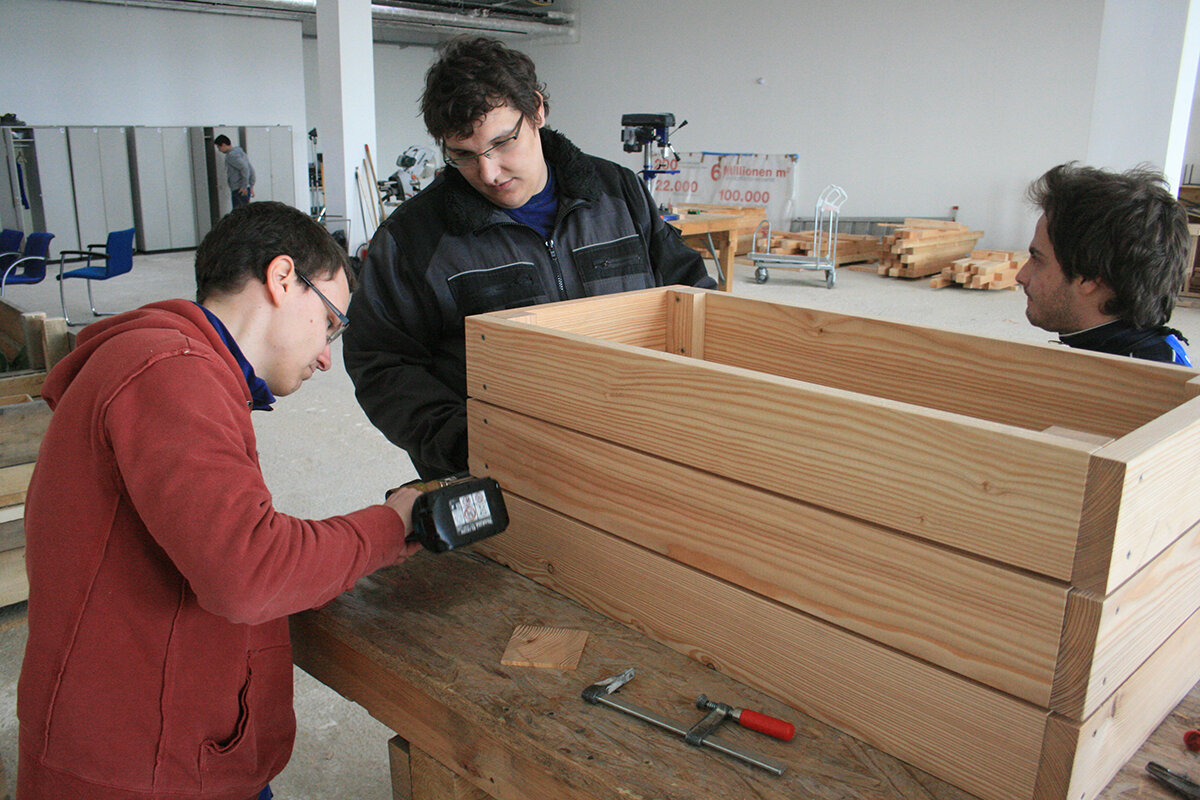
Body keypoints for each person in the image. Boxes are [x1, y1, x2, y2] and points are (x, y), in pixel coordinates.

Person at [17, 202, 423, 800]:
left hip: (149, 740)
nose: (324, 357)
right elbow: (249, 572)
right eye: (331, 323)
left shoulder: (167, 362)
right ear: (284, 279)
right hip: (142, 770)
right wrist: (391, 526)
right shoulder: (171, 372)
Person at [343, 36, 717, 480]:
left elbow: (690, 294)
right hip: (500, 471)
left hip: (635, 447)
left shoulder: (618, 192)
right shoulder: (412, 237)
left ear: (537, 110)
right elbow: (381, 362)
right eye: (462, 154)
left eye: (502, 143)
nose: (488, 173)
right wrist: (468, 442)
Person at [1018, 162, 1192, 365]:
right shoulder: (1127, 353)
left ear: (1088, 277)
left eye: (1037, 259)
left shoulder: (1143, 386)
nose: (1021, 276)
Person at [215, 134, 256, 210]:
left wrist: (244, 186)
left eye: (218, 147)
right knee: (245, 213)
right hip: (244, 188)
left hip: (239, 189)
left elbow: (245, 168)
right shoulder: (241, 153)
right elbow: (251, 169)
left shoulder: (231, 156)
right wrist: (250, 186)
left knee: (240, 215)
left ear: (223, 145)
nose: (219, 150)